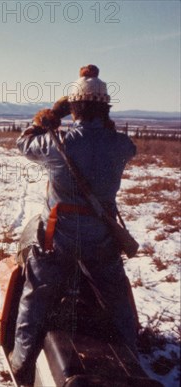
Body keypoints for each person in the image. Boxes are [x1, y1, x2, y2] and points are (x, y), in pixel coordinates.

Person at [10, 65, 138, 385]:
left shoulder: (58, 143)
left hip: (59, 239)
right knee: (118, 300)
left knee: (35, 297)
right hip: (101, 240)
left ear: (74, 109)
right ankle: (133, 363)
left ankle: (21, 363)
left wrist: (49, 117)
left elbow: (24, 145)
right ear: (105, 108)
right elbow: (128, 148)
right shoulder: (121, 144)